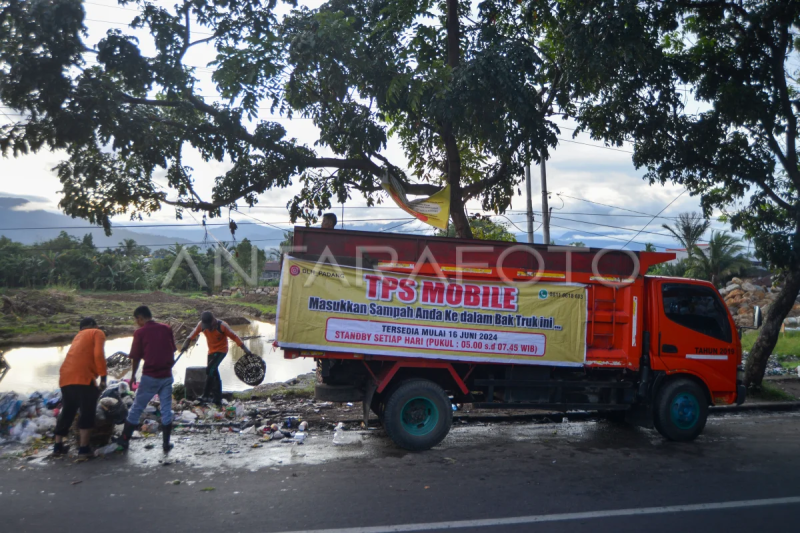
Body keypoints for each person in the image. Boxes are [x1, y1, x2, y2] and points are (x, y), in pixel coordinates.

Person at [118, 306, 178, 453]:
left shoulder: (140, 332)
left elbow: (136, 357)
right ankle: (166, 444)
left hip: (150, 376)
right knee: (166, 409)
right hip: (167, 375)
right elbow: (172, 350)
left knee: (137, 408)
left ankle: (124, 440)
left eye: (136, 320)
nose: (136, 323)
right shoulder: (166, 328)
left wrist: (133, 376)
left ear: (140, 318)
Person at [53, 317, 107, 459]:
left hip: (65, 377)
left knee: (68, 410)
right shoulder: (97, 332)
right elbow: (99, 355)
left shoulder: (78, 336)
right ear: (95, 325)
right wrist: (103, 378)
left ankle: (57, 447)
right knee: (87, 411)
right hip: (83, 378)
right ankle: (84, 450)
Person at [182, 311, 253, 407]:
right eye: (206, 327)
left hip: (221, 351)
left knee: (210, 370)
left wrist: (245, 349)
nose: (208, 329)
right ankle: (217, 398)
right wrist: (187, 341)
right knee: (213, 372)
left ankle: (206, 395)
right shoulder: (202, 325)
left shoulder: (223, 326)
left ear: (213, 321)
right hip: (211, 351)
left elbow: (235, 337)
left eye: (209, 326)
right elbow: (193, 333)